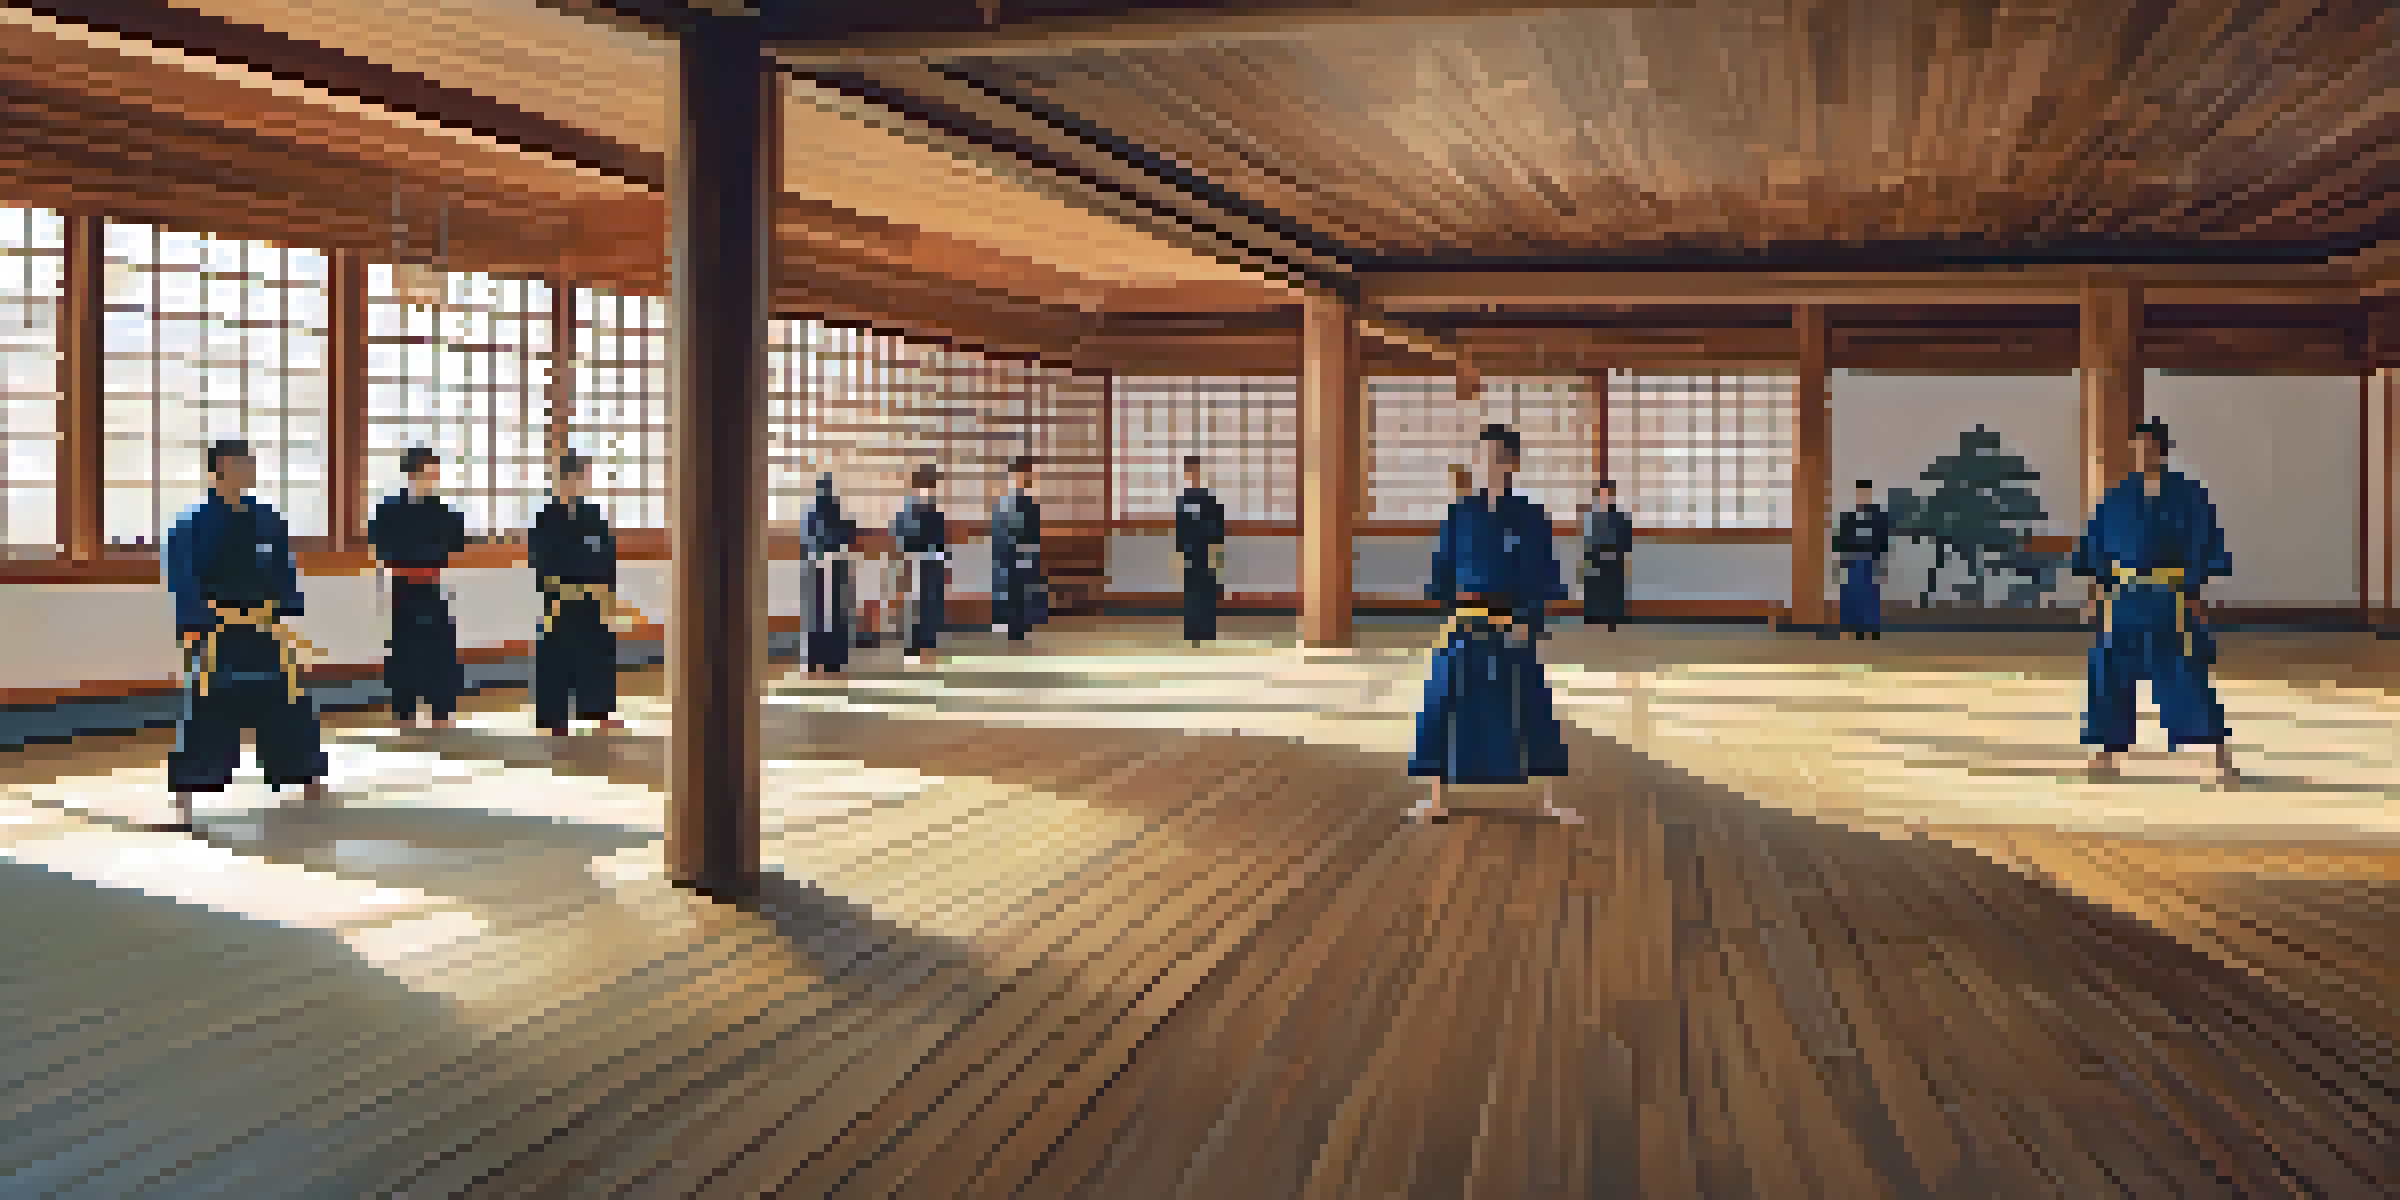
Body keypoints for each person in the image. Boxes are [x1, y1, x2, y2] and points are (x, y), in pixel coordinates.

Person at [1409, 424, 1578, 824]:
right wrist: (1448, 607)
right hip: (1465, 621)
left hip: (1513, 620)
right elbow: (1443, 569)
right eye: (1482, 458)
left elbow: (1543, 572)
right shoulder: (1458, 514)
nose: (1487, 465)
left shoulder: (1531, 516)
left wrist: (1529, 619)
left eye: (1497, 458)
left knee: (1532, 705)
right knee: (1441, 702)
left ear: (1512, 463)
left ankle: (1548, 799)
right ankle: (1436, 798)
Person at [161, 439, 329, 831]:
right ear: (218, 470)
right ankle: (185, 798)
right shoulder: (191, 525)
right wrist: (195, 624)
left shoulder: (268, 519)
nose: (249, 470)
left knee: (288, 703)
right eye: (241, 464)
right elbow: (183, 580)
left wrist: (285, 608)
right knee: (207, 711)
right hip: (217, 634)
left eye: (251, 463)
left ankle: (308, 779)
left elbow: (284, 571)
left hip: (264, 630)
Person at [2072, 419, 2239, 789]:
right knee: (2108, 672)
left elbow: (2202, 544)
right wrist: (2096, 595)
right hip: (2124, 599)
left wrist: (2194, 593)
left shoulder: (2188, 495)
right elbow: (2096, 550)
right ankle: (2106, 754)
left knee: (2187, 672)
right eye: (2138, 447)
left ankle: (2219, 758)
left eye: (2150, 447)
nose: (2143, 453)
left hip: (2170, 599)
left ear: (2163, 450)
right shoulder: (2116, 498)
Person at [368, 446, 468, 728]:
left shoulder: (445, 512)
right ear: (411, 473)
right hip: (402, 591)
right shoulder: (388, 510)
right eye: (428, 472)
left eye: (436, 472)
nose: (433, 478)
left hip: (436, 590)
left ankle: (442, 712)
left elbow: (456, 548)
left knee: (441, 652)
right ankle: (405, 713)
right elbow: (381, 550)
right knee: (404, 653)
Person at [530, 452, 623, 736]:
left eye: (585, 478)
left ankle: (601, 711)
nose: (582, 484)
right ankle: (554, 719)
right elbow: (542, 560)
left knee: (598, 655)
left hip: (593, 599)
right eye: (578, 478)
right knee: (556, 659)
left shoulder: (593, 515)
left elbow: (607, 555)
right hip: (559, 599)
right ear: (563, 480)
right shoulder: (546, 518)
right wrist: (559, 590)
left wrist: (607, 593)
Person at [799, 474, 859, 677]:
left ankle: (818, 661)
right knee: (830, 615)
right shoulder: (834, 515)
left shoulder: (812, 515)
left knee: (820, 615)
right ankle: (831, 661)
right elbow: (844, 536)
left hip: (820, 568)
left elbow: (810, 540)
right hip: (831, 567)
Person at [892, 464, 949, 666]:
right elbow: (902, 537)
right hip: (914, 563)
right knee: (914, 606)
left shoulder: (933, 509)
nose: (928, 490)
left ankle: (928, 647)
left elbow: (940, 539)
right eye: (926, 486)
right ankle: (912, 648)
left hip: (932, 564)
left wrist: (942, 558)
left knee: (931, 606)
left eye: (931, 486)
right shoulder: (909, 509)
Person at [1175, 455, 1228, 647]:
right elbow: (1179, 530)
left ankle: (1207, 631)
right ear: (1186, 474)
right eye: (1189, 472)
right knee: (1191, 592)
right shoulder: (1181, 501)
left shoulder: (1210, 500)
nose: (1192, 475)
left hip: (1206, 551)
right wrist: (1180, 553)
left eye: (1195, 471)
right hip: (1189, 552)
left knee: (1206, 591)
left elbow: (1218, 528)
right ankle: (1192, 632)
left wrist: (1215, 550)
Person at [1832, 479, 1893, 641]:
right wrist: (1840, 562)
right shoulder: (1848, 517)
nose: (1863, 497)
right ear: (1856, 495)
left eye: (1866, 494)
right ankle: (1854, 629)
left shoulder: (1878, 517)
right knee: (1852, 595)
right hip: (1852, 561)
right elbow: (1840, 541)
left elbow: (1883, 542)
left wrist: (1882, 564)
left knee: (1871, 596)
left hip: (1871, 561)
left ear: (1870, 495)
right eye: (1860, 494)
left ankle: (1872, 629)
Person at [991, 455, 1044, 641]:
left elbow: (1032, 533)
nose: (1025, 477)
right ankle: (1012, 626)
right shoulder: (1005, 503)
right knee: (1012, 590)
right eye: (1022, 473)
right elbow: (1001, 532)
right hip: (1009, 554)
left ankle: (1019, 626)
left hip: (1023, 554)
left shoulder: (1029, 503)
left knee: (1023, 590)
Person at [1580, 479, 1633, 631]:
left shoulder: (1620, 517)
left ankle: (1613, 619)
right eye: (1602, 495)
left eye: (1607, 495)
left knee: (1612, 590)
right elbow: (1587, 541)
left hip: (1614, 559)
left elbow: (1626, 542)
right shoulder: (1590, 517)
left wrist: (1616, 554)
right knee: (1594, 588)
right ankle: (1593, 617)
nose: (1604, 498)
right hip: (1595, 558)